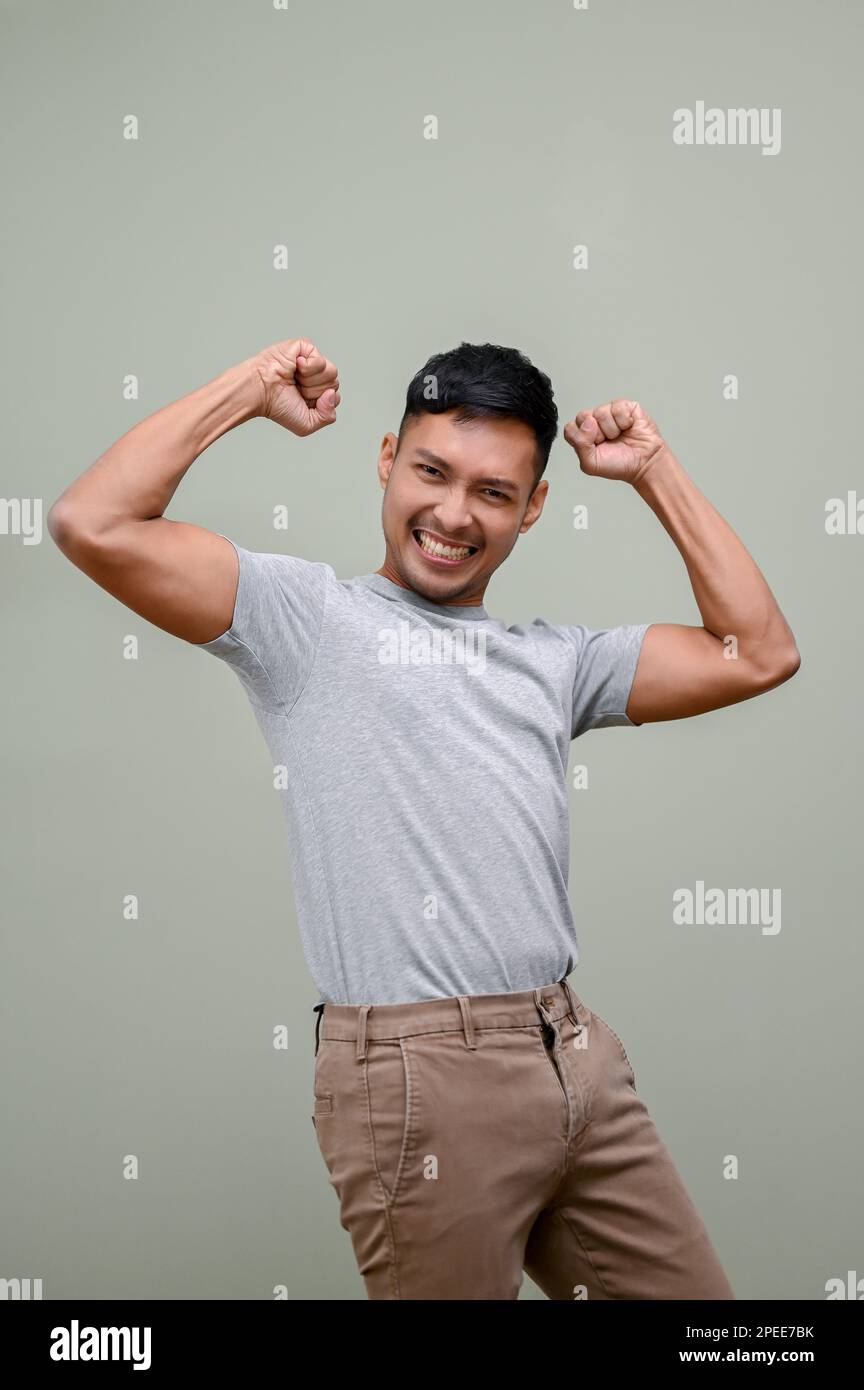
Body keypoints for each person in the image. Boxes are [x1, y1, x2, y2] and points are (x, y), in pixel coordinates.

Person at [47, 337, 799, 1300]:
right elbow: (90, 522)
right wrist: (248, 389)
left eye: (493, 492)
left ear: (532, 509)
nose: (451, 514)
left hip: (574, 1059)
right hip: (419, 1080)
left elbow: (756, 652)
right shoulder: (305, 622)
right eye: (431, 472)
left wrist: (653, 470)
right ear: (386, 458)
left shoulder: (555, 664)